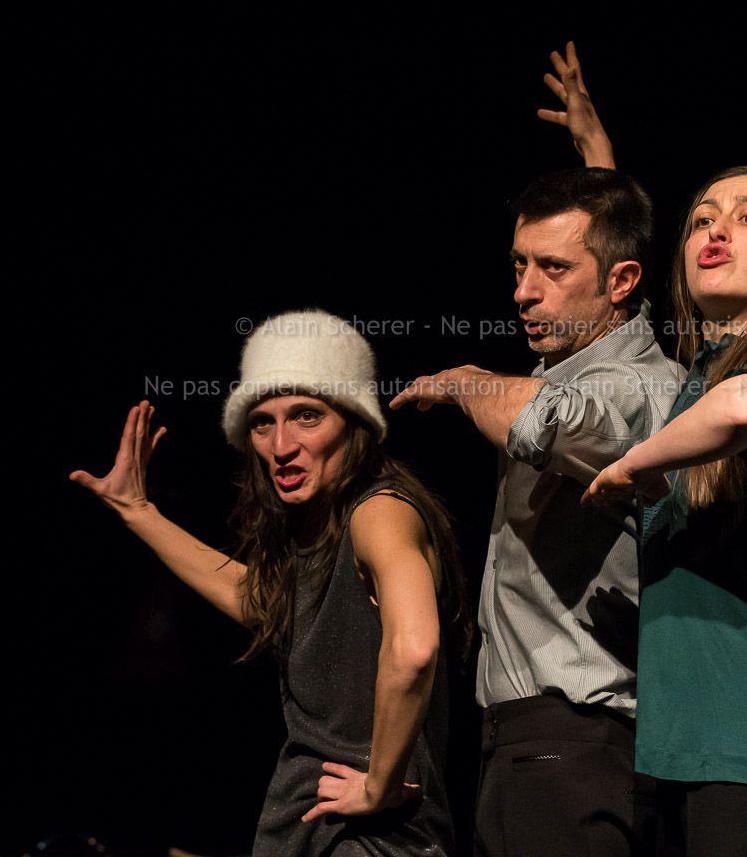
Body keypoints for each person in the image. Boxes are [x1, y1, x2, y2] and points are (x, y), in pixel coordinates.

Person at [70, 310, 467, 856]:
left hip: (367, 835)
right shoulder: (320, 529)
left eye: (306, 416)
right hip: (313, 824)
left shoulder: (380, 511)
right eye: (262, 423)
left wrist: (379, 785)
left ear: (354, 421)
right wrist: (138, 512)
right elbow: (264, 602)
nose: (281, 446)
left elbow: (415, 648)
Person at [391, 161, 684, 857]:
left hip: (576, 737)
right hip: (537, 739)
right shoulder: (580, 364)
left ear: (622, 281)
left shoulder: (637, 384)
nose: (524, 290)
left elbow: (546, 421)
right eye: (520, 264)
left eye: (553, 268)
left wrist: (466, 381)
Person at [585, 163, 747, 856]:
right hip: (682, 761)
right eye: (703, 219)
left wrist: (636, 464)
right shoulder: (693, 383)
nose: (717, 230)